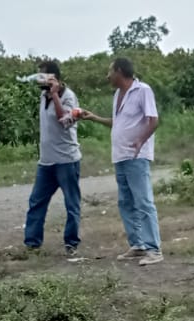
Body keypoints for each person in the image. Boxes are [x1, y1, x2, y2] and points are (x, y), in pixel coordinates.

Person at [80, 57, 162, 266]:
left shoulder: (143, 90)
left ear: (119, 71)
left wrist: (140, 140)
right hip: (120, 155)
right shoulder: (118, 94)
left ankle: (153, 249)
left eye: (110, 71)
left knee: (143, 201)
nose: (108, 76)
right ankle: (138, 244)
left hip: (136, 156)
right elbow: (117, 123)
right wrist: (94, 118)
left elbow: (153, 120)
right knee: (126, 202)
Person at [23, 60, 83, 256]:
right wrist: (50, 94)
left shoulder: (69, 96)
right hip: (46, 161)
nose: (39, 80)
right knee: (36, 202)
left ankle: (71, 243)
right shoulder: (43, 95)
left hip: (66, 160)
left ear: (54, 78)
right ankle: (32, 243)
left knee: (71, 203)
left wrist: (56, 95)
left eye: (42, 76)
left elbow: (65, 121)